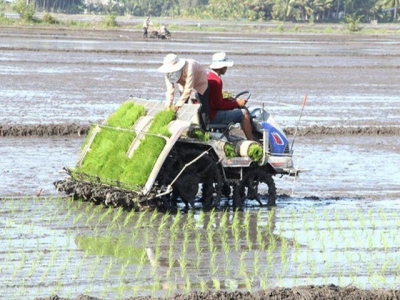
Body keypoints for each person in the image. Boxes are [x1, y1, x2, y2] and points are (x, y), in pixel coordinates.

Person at [207, 52, 253, 140]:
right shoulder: (216, 81)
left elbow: (214, 100)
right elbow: (220, 106)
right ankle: (251, 141)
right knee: (244, 114)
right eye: (225, 66)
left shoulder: (209, 76)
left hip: (210, 113)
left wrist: (227, 100)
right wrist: (237, 103)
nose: (226, 68)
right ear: (221, 67)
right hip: (214, 115)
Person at [158, 53, 210, 129]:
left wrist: (177, 105)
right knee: (183, 104)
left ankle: (205, 129)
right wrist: (169, 105)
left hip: (199, 79)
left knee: (203, 106)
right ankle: (182, 127)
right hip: (182, 81)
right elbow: (170, 90)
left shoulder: (189, 67)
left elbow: (188, 89)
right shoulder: (168, 73)